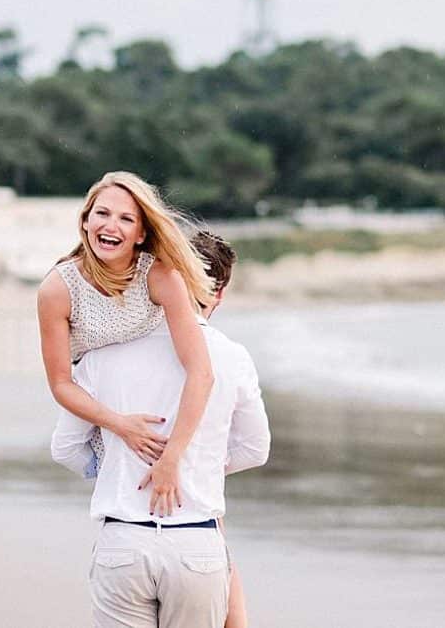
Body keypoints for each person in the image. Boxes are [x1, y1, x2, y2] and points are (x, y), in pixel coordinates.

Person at [52, 231, 270, 628]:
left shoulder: (105, 352)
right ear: (217, 292)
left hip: (123, 541)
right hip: (197, 543)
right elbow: (255, 449)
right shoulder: (233, 357)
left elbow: (66, 448)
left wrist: (120, 468)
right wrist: (196, 466)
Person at [37, 171, 217, 519]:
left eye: (126, 219)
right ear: (85, 220)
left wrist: (172, 457)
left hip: (149, 378)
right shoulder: (57, 289)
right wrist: (118, 424)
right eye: (102, 213)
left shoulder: (160, 276)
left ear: (140, 234)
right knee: (65, 449)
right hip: (95, 390)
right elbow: (60, 383)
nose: (111, 226)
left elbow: (201, 371)